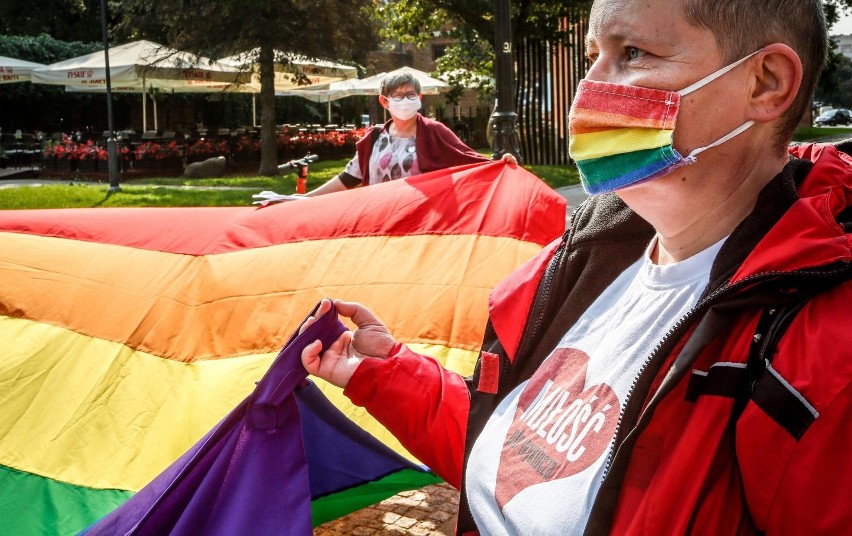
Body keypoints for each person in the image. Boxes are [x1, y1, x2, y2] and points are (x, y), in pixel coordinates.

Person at [300, 1, 852, 534]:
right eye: (593, 56)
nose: (589, 89)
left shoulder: (824, 354)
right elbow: (518, 469)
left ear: (766, 82)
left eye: (634, 52)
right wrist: (382, 371)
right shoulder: (579, 258)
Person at [303, 70, 515, 197]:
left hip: (420, 224)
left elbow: (470, 161)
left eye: (410, 94)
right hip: (377, 221)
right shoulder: (374, 138)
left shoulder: (434, 132)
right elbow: (349, 178)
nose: (405, 100)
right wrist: (304, 198)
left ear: (419, 97)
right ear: (384, 101)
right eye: (397, 95)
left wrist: (500, 163)